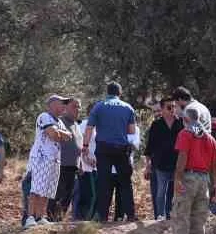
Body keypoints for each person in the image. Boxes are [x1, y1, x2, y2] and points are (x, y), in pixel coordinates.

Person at [171, 103, 216, 234]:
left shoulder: (185, 134)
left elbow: (182, 157)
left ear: (186, 119)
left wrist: (178, 179)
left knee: (181, 212)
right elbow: (215, 165)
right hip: (204, 180)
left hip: (188, 177)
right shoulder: (210, 138)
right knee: (199, 216)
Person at [86, 83, 138, 223]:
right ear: (119, 93)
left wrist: (85, 146)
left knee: (104, 182)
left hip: (103, 148)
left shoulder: (99, 106)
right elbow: (132, 130)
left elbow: (89, 128)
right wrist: (118, 129)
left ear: (107, 92)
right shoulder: (128, 107)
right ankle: (131, 215)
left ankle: (102, 216)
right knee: (125, 182)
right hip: (121, 148)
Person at [26, 96, 75, 228]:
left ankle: (40, 216)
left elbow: (69, 136)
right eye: (62, 103)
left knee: (48, 189)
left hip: (54, 159)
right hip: (41, 158)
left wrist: (60, 133)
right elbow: (52, 134)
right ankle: (30, 217)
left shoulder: (58, 121)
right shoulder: (44, 116)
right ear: (52, 104)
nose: (64, 106)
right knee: (37, 188)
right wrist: (60, 134)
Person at [144, 98, 182, 221]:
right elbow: (150, 146)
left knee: (177, 191)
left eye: (174, 107)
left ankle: (173, 215)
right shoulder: (156, 125)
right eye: (169, 107)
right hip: (161, 163)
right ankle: (160, 215)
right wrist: (148, 165)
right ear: (162, 109)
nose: (172, 110)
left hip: (178, 163)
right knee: (161, 191)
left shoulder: (181, 123)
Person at [51, 97, 81, 222]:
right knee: (57, 196)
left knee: (67, 197)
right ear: (66, 108)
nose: (78, 109)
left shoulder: (76, 124)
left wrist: (80, 165)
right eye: (75, 106)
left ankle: (59, 221)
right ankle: (50, 220)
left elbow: (77, 146)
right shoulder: (59, 122)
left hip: (73, 168)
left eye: (79, 107)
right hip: (60, 166)